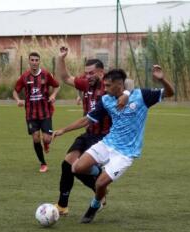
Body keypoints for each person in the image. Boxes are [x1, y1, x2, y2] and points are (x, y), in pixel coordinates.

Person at [53, 65, 174, 223]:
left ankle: (95, 205)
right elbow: (87, 119)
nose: (105, 88)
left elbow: (170, 93)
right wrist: (64, 130)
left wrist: (162, 79)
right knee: (76, 168)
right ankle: (100, 171)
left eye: (108, 85)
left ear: (119, 84)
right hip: (107, 144)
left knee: (101, 184)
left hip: (125, 153)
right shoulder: (106, 100)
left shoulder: (141, 96)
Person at [54, 46, 131, 215]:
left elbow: (128, 86)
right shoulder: (86, 85)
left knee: (78, 167)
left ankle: (99, 186)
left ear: (101, 73)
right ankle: (62, 205)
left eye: (91, 73)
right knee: (67, 164)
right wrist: (61, 58)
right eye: (86, 73)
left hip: (104, 137)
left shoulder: (109, 88)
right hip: (88, 133)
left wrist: (125, 93)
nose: (87, 76)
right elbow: (66, 77)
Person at [13, 52, 59, 172]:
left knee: (47, 138)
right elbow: (15, 91)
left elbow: (57, 86)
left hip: (45, 113)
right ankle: (43, 163)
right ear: (29, 61)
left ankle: (47, 143)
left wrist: (53, 95)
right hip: (31, 114)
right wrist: (18, 100)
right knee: (35, 138)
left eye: (36, 60)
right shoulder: (24, 77)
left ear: (39, 61)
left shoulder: (46, 74)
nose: (34, 62)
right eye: (32, 60)